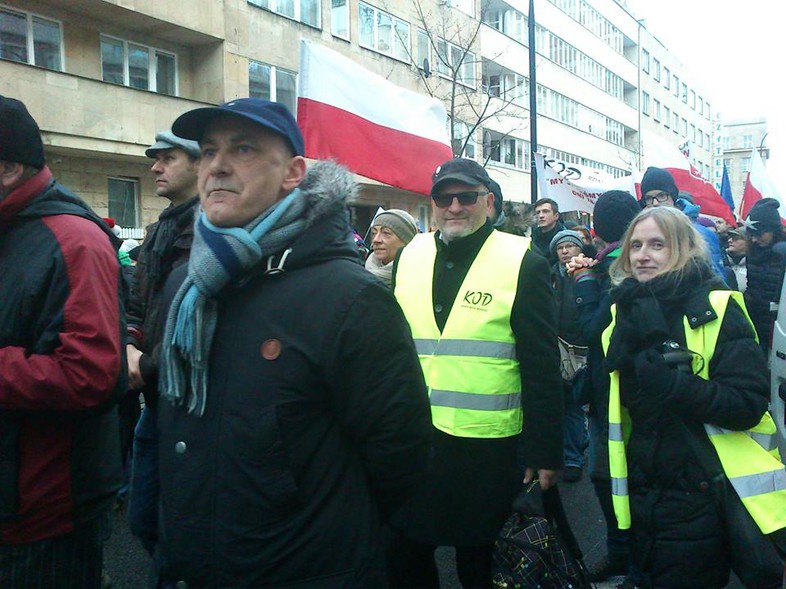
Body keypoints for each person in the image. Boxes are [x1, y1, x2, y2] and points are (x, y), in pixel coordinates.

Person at [155, 98, 432, 587]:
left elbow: (398, 454)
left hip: (305, 566)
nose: (216, 165)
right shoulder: (187, 287)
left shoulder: (348, 296)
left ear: (293, 172)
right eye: (208, 150)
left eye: (243, 149)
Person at [389, 157, 563, 588]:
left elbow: (542, 365)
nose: (454, 206)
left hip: (488, 448)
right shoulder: (409, 255)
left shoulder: (523, 259)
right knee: (404, 556)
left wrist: (543, 451)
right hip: (415, 442)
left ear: (488, 202)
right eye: (443, 198)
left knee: (480, 565)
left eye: (466, 197)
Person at [603, 206, 786, 589]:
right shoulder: (624, 313)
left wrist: (674, 386)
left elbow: (748, 404)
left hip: (700, 493)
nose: (642, 255)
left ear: (684, 249)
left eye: (657, 244)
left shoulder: (717, 307)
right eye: (635, 245)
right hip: (645, 491)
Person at [0, 95, 125, 587]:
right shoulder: (12, 230)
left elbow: (91, 375)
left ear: (9, 167)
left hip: (43, 517)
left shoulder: (74, 240)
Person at [126, 129, 201, 557]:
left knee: (181, 530)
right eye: (155, 158)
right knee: (143, 519)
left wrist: (145, 366)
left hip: (188, 406)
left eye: (167, 158)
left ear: (198, 163)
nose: (155, 167)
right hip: (154, 404)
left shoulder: (212, 230)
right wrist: (129, 347)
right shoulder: (158, 232)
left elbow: (197, 332)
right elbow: (136, 305)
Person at [566, 189, 640, 583]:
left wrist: (583, 283)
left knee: (618, 480)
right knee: (607, 477)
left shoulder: (615, 269)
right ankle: (622, 554)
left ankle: (629, 559)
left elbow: (593, 330)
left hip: (619, 393)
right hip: (605, 391)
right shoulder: (604, 264)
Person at [549, 230, 589, 483]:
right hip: (554, 346)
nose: (564, 251)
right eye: (560, 247)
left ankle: (573, 458)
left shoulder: (587, 273)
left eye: (569, 246)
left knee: (574, 403)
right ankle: (568, 451)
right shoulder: (547, 274)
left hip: (580, 347)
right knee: (562, 403)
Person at [639, 167, 726, 278]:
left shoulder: (701, 234)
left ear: (673, 196)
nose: (655, 203)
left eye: (661, 195)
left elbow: (716, 279)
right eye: (649, 198)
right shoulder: (640, 234)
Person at [744, 197, 786, 352]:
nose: (754, 239)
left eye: (760, 234)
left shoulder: (783, 254)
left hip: (779, 326)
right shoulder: (752, 252)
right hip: (755, 323)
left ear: (774, 230)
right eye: (751, 235)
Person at [364, 208, 418, 287]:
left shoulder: (420, 275)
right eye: (374, 233)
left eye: (386, 233)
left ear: (406, 240)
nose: (376, 240)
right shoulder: (363, 271)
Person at [532, 197, 566, 263]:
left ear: (556, 216)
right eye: (538, 212)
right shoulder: (532, 237)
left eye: (545, 211)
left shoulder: (565, 238)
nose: (541, 216)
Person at [727, 225, 749, 293]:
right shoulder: (722, 260)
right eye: (730, 237)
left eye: (735, 238)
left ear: (747, 241)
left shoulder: (753, 264)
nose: (730, 240)